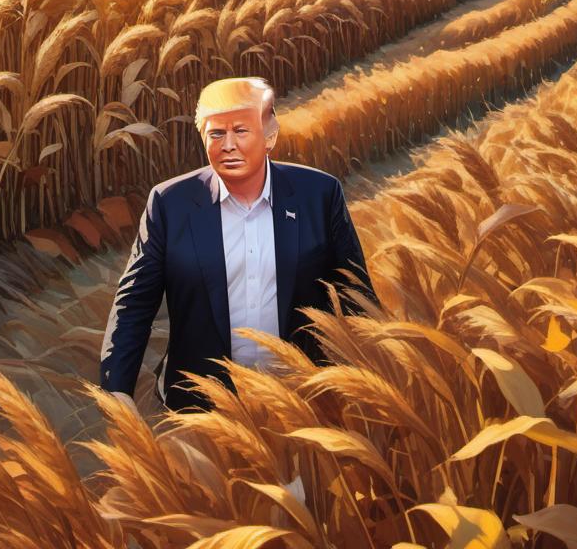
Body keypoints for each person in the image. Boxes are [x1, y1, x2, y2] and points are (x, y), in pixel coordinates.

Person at [98, 75, 380, 415]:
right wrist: (117, 389)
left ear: (270, 136)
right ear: (203, 138)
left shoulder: (319, 195)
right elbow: (134, 303)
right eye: (216, 133)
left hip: (302, 401)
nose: (228, 144)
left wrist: (374, 381)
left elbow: (355, 295)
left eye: (241, 131)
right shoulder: (171, 203)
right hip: (201, 407)